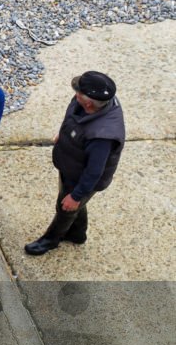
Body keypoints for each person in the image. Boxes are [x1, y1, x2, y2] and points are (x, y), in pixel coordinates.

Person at [24, 71, 125, 255]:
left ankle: (50, 240)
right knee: (72, 203)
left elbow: (94, 172)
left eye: (78, 92)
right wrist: (64, 135)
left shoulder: (102, 135)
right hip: (72, 166)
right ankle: (77, 234)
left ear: (88, 103)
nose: (75, 94)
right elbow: (75, 121)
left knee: (66, 206)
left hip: (82, 177)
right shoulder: (90, 103)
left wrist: (77, 196)